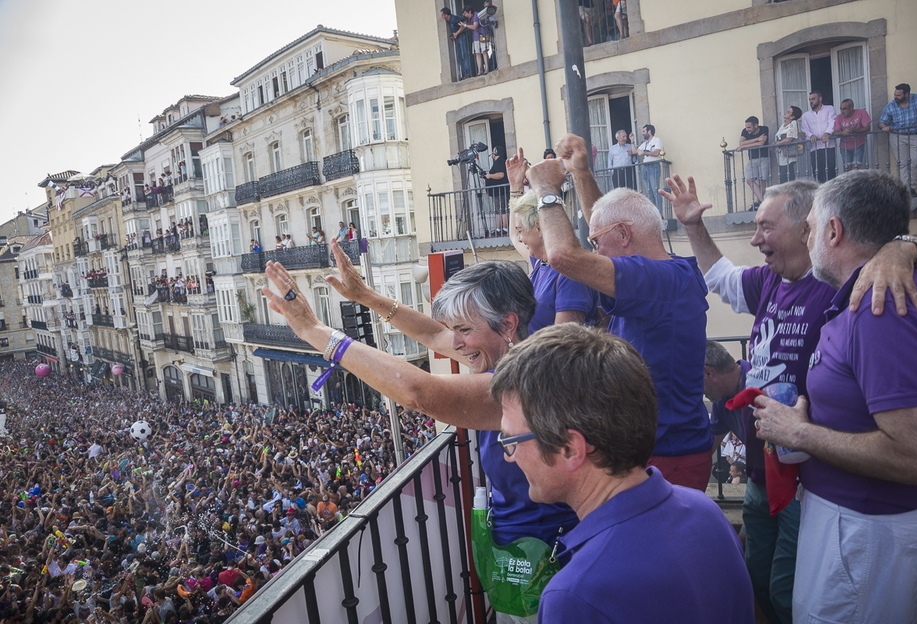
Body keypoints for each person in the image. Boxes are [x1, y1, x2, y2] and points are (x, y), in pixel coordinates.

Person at [262, 245, 577, 622]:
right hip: (523, 551)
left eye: (464, 329)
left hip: (543, 560)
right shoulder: (515, 351)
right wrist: (366, 296)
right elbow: (431, 334)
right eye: (453, 330)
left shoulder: (521, 384)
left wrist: (314, 331)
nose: (455, 344)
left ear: (507, 324)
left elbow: (419, 393)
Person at [667, 172, 917, 624]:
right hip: (767, 472)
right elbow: (722, 277)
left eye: (767, 226)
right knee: (760, 579)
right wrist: (693, 225)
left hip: (818, 486)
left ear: (820, 229)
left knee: (791, 592)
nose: (756, 237)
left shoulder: (857, 289)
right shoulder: (771, 281)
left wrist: (904, 246)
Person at [753, 170, 917, 623]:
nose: (807, 235)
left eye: (810, 227)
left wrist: (800, 432)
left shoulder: (880, 306)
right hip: (864, 529)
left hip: (867, 532)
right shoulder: (883, 289)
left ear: (834, 231)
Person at [490, 323, 754, 624]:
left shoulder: (573, 596)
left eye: (510, 440)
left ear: (570, 449)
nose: (508, 457)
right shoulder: (705, 512)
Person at [529, 134, 713, 492]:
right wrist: (580, 174)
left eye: (597, 243)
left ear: (625, 234)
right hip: (661, 450)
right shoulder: (668, 274)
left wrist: (547, 191)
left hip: (668, 456)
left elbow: (563, 256)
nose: (595, 250)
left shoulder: (661, 279)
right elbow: (605, 224)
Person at [506, 150, 597, 333]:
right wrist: (516, 186)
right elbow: (514, 237)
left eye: (522, 230)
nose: (521, 237)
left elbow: (563, 340)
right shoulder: (541, 262)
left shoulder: (570, 272)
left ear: (539, 227)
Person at [878, 83, 917, 196]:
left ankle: (912, 186)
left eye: (899, 95)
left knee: (915, 161)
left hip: (914, 135)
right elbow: (881, 122)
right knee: (902, 163)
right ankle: (906, 190)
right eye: (895, 94)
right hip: (897, 136)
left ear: (907, 94)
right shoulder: (891, 106)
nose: (896, 97)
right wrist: (884, 127)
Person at [801, 90, 837, 183]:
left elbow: (833, 122)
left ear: (820, 99)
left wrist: (827, 133)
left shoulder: (829, 109)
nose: (811, 101)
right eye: (810, 99)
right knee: (818, 173)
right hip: (815, 148)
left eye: (813, 99)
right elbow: (805, 129)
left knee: (831, 172)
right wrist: (810, 135)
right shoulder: (806, 115)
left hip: (829, 146)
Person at [629, 124, 663, 212]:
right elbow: (634, 151)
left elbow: (656, 153)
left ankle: (659, 213)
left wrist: (644, 152)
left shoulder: (657, 140)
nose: (642, 133)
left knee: (655, 190)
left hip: (653, 166)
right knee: (648, 191)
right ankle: (652, 213)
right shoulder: (644, 143)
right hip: (645, 167)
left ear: (649, 131)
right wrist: (632, 141)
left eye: (644, 131)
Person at [739, 116, 770, 210]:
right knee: (749, 180)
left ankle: (758, 203)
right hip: (752, 158)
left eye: (749, 127)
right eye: (746, 127)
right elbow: (741, 143)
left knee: (762, 181)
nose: (747, 129)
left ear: (756, 125)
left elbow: (761, 143)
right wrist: (757, 139)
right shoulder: (745, 131)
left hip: (764, 157)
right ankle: (763, 201)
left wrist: (747, 144)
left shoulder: (764, 129)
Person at [832, 99, 871, 172]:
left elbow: (867, 128)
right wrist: (843, 132)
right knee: (848, 170)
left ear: (852, 107)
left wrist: (853, 130)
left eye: (845, 109)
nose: (842, 111)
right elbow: (835, 132)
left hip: (858, 144)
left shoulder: (861, 112)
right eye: (841, 109)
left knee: (856, 169)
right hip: (845, 146)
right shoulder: (839, 117)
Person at [441, 7, 473, 81]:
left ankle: (468, 73)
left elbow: (464, 23)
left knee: (464, 54)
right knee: (459, 56)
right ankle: (464, 74)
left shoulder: (454, 18)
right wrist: (454, 35)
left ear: (446, 14)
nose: (442, 16)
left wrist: (457, 33)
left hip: (462, 36)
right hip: (458, 38)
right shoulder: (449, 21)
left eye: (443, 15)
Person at [484, 146, 509, 236]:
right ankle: (499, 229)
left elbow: (501, 174)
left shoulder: (500, 161)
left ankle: (505, 228)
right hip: (497, 192)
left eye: (493, 151)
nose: (492, 152)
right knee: (499, 211)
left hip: (501, 191)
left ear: (496, 152)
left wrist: (489, 176)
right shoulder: (498, 162)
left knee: (503, 210)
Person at [775, 106, 803, 184]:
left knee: (786, 178)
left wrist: (778, 143)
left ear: (792, 117)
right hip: (781, 155)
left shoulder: (793, 123)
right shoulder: (783, 125)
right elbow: (779, 137)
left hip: (788, 155)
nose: (786, 112)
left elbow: (789, 138)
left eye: (788, 112)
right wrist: (775, 143)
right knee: (783, 177)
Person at [462, 6, 489, 76]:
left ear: (470, 12)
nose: (465, 15)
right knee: (477, 53)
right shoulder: (470, 19)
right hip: (476, 37)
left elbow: (474, 26)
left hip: (482, 35)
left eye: (465, 13)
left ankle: (486, 69)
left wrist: (465, 25)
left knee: (484, 51)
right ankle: (479, 70)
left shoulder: (477, 15)